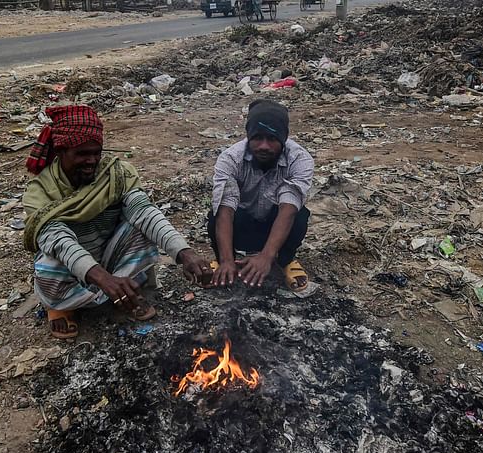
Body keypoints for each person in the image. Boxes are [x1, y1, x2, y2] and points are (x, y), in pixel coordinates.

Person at [23, 105, 211, 339]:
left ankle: (123, 294)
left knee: (142, 230)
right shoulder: (39, 192)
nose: (91, 161)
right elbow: (59, 241)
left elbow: (144, 212)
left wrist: (184, 253)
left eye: (96, 152)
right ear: (61, 151)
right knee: (48, 263)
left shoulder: (117, 174)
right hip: (71, 266)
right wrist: (102, 278)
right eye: (82, 154)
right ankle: (64, 306)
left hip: (112, 255)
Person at [208, 99, 313, 293]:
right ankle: (224, 262)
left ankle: (285, 261)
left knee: (299, 215)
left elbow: (288, 209)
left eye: (272, 139)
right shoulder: (231, 158)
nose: (264, 146)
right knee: (215, 213)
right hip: (242, 225)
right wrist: (226, 260)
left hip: (276, 227)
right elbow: (225, 210)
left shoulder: (299, 159)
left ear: (283, 139)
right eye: (257, 138)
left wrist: (266, 256)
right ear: (248, 136)